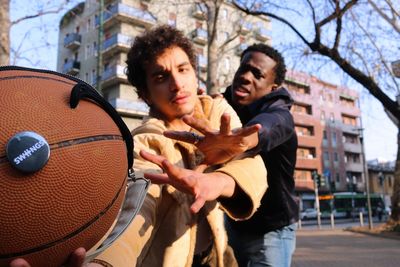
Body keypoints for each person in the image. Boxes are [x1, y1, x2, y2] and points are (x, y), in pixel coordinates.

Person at [9, 25, 268, 267]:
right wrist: (103, 263)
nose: (177, 84)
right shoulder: (144, 142)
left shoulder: (216, 111)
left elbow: (252, 165)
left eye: (183, 69)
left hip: (217, 254)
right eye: (161, 76)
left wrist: (217, 181)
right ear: (145, 94)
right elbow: (136, 210)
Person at [165, 43, 299, 267]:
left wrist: (240, 140)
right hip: (230, 225)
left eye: (257, 74)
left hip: (270, 232)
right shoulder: (220, 105)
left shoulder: (279, 113)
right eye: (243, 69)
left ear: (273, 87)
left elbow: (270, 126)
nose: (246, 77)